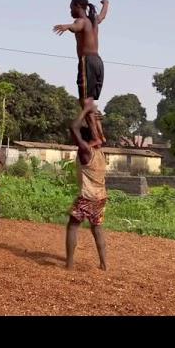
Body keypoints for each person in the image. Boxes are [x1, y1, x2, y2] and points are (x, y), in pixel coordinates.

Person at [53, 0, 109, 145]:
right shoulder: (94, 20)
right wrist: (106, 3)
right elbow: (103, 15)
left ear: (78, 6)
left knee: (85, 101)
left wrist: (66, 26)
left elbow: (77, 26)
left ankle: (96, 137)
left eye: (71, 6)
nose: (70, 10)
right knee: (88, 101)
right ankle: (99, 135)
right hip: (98, 62)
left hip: (87, 62)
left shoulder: (81, 21)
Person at [66, 101, 108, 270]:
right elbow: (99, 136)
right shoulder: (100, 151)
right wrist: (95, 119)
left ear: (82, 139)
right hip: (101, 196)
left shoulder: (85, 151)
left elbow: (73, 127)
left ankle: (69, 264)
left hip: (87, 196)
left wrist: (86, 110)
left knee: (72, 226)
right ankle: (104, 264)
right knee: (97, 228)